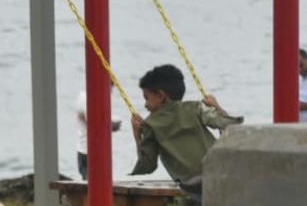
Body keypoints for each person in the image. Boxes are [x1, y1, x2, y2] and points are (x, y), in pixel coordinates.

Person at [129, 64, 242, 195]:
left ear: (160, 96)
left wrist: (137, 135)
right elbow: (230, 126)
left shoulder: (150, 125)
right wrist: (217, 107)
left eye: (146, 98)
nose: (145, 105)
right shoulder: (196, 108)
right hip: (220, 174)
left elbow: (147, 166)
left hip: (193, 185)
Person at [75, 89, 122, 179]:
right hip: (88, 150)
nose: (111, 91)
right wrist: (111, 126)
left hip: (90, 149)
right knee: (92, 180)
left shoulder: (88, 97)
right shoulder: (86, 98)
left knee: (95, 179)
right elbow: (93, 123)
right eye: (110, 88)